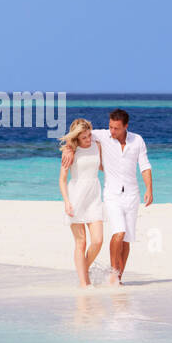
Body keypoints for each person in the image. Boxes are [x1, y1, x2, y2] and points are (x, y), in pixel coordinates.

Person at [63, 108, 153, 285]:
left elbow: (145, 166)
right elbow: (78, 135)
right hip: (111, 194)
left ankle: (118, 278)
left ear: (126, 126)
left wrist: (149, 188)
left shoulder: (137, 140)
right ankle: (112, 274)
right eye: (110, 126)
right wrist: (68, 149)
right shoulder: (102, 136)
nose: (112, 131)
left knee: (126, 239)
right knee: (118, 232)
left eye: (116, 128)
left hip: (132, 195)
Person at [58, 118, 104, 287]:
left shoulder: (97, 145)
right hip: (76, 197)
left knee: (98, 240)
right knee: (81, 242)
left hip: (94, 197)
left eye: (89, 135)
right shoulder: (70, 151)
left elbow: (102, 166)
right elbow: (62, 179)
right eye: (84, 137)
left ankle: (83, 270)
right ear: (76, 137)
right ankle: (85, 283)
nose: (88, 139)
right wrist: (66, 202)